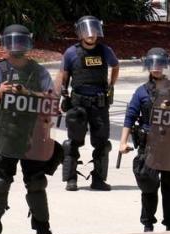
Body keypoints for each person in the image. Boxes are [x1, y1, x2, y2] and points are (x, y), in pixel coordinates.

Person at [0, 24, 61, 234]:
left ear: (28, 43)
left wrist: (29, 92)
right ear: (4, 43)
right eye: (12, 41)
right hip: (6, 137)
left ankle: (43, 228)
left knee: (36, 183)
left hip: (33, 137)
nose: (16, 46)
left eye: (21, 41)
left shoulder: (38, 71)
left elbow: (52, 100)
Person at [119, 48, 170, 232]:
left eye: (160, 64)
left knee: (169, 187)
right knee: (149, 186)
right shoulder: (141, 92)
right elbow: (130, 117)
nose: (156, 68)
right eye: (152, 64)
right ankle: (148, 223)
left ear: (166, 65)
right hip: (149, 145)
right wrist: (122, 142)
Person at [57, 15, 119, 191]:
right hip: (78, 103)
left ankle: (98, 180)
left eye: (93, 31)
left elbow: (115, 66)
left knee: (102, 143)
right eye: (87, 31)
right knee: (73, 142)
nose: (91, 35)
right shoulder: (71, 52)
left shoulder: (105, 50)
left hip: (99, 103)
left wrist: (111, 85)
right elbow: (65, 72)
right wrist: (64, 91)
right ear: (80, 33)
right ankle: (71, 179)